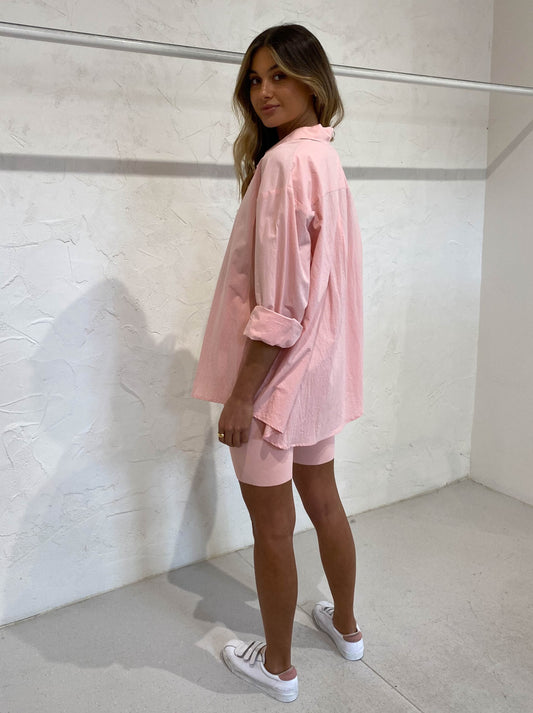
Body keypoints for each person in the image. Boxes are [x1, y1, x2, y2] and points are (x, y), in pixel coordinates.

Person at [192, 23, 364, 703]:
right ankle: (347, 629)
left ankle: (278, 669)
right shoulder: (324, 157)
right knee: (324, 502)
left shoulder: (284, 166)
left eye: (279, 75)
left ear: (312, 80)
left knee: (272, 527)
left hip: (273, 384)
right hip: (317, 377)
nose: (264, 91)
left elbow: (279, 306)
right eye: (255, 80)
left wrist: (241, 396)